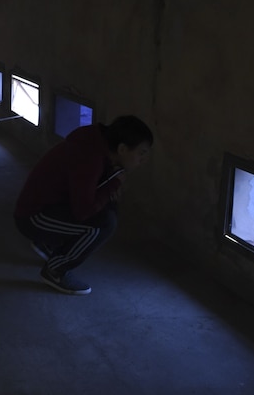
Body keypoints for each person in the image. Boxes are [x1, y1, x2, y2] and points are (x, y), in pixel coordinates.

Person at [14, 115, 153, 295]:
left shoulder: (97, 144)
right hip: (32, 217)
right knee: (104, 224)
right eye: (141, 153)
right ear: (122, 149)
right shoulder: (90, 158)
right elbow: (83, 211)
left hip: (49, 207)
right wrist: (114, 184)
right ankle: (55, 271)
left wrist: (110, 186)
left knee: (107, 208)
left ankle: (47, 244)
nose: (143, 160)